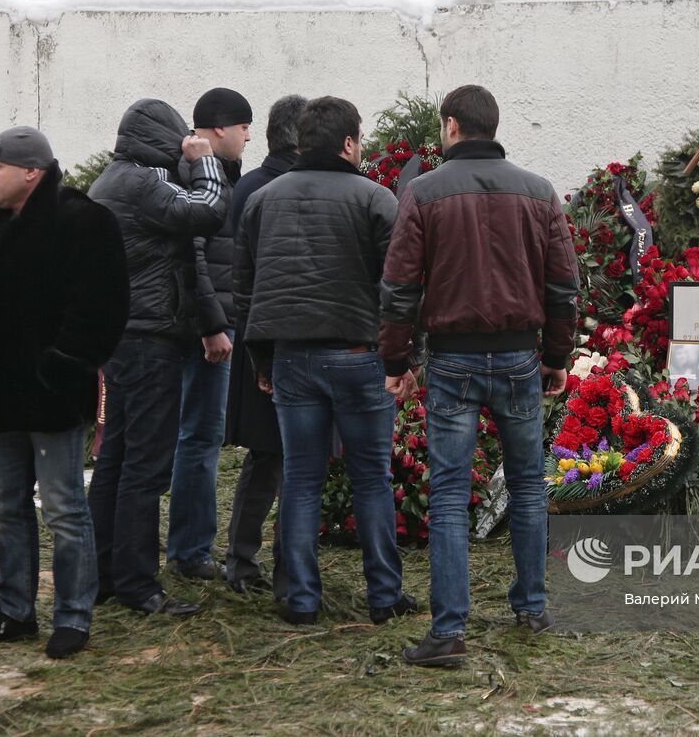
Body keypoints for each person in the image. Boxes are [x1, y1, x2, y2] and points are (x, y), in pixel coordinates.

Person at [379, 84, 578, 667]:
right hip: (519, 356)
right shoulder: (539, 193)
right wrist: (558, 358)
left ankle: (449, 630)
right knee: (527, 485)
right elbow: (562, 287)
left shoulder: (422, 193)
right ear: (493, 126)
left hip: (452, 360)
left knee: (447, 495)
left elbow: (398, 289)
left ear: (450, 127)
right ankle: (533, 606)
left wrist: (396, 362)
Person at [0, 126, 128, 659]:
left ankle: (73, 616)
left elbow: (103, 309)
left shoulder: (82, 222)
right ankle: (14, 611)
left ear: (31, 172)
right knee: (5, 503)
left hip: (50, 398)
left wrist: (61, 365)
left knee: (65, 507)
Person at [234, 96, 417, 626]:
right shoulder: (376, 198)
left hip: (292, 359)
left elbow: (245, 293)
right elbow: (400, 288)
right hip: (360, 359)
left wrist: (262, 363)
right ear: (348, 143)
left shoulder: (263, 200)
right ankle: (384, 596)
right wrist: (403, 359)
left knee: (301, 479)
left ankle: (301, 599)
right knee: (371, 480)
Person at [87, 99, 230, 616]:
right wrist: (205, 160)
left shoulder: (110, 180)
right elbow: (208, 211)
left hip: (124, 335)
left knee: (117, 461)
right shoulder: (143, 182)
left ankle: (100, 574)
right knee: (146, 467)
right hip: (150, 338)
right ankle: (137, 584)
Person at [165, 87, 252, 581]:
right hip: (207, 330)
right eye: (243, 128)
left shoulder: (219, 173)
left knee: (199, 436)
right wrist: (213, 324)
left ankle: (190, 546)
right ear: (220, 128)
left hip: (216, 320)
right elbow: (193, 253)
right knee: (199, 437)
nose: (246, 137)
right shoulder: (193, 174)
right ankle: (190, 552)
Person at [223, 94, 303, 597]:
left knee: (267, 456)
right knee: (284, 459)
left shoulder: (249, 188)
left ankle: (243, 559)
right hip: (279, 346)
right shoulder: (280, 191)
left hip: (256, 341)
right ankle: (270, 566)